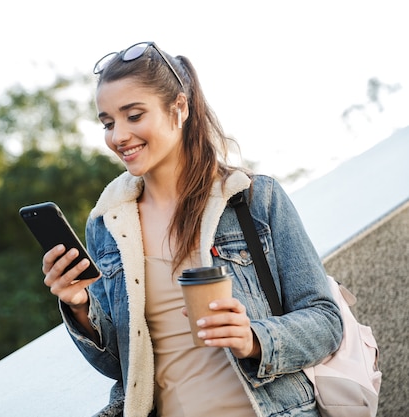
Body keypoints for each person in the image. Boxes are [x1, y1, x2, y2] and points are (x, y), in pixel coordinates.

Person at [42, 41, 343, 417]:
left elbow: (326, 321)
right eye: (107, 123)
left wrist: (252, 338)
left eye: (133, 116)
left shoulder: (254, 199)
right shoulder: (107, 225)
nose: (118, 136)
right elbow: (121, 367)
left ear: (179, 108)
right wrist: (81, 305)